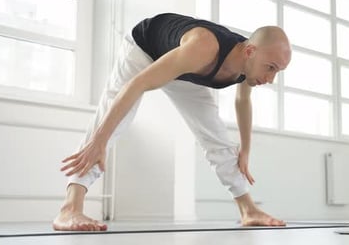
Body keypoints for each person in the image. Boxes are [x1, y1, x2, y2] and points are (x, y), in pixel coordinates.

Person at [53, 13, 292, 231]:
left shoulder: (248, 64)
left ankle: (248, 210)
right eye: (270, 68)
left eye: (277, 72)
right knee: (109, 123)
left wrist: (246, 149)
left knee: (216, 135)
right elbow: (136, 85)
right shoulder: (203, 47)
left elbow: (243, 101)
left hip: (187, 70)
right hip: (146, 48)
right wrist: (99, 140)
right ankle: (70, 208)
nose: (270, 79)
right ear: (250, 51)